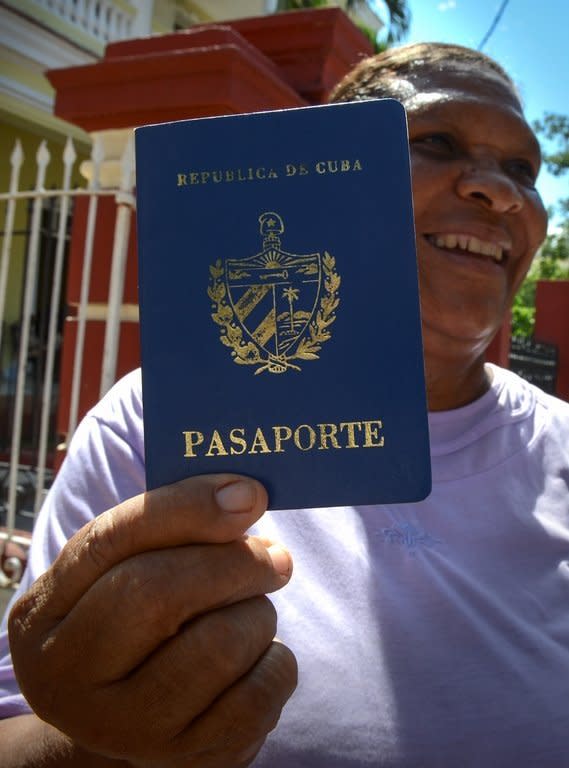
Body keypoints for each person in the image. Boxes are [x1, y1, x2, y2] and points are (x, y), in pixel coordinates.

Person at [1, 41, 568, 767]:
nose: (500, 191)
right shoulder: (151, 423)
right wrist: (91, 744)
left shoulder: (556, 448)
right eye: (435, 141)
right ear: (334, 181)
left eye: (523, 169)